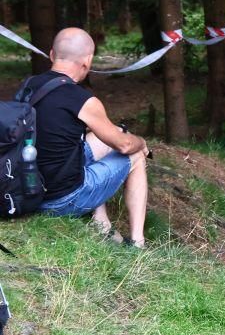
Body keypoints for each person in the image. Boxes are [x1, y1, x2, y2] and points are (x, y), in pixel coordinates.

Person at [23, 28, 150, 247]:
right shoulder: (82, 99)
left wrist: (121, 134)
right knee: (136, 155)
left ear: (52, 54)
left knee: (103, 138)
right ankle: (138, 243)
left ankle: (101, 223)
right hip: (61, 200)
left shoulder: (28, 86)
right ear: (87, 61)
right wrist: (142, 142)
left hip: (28, 190)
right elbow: (125, 145)